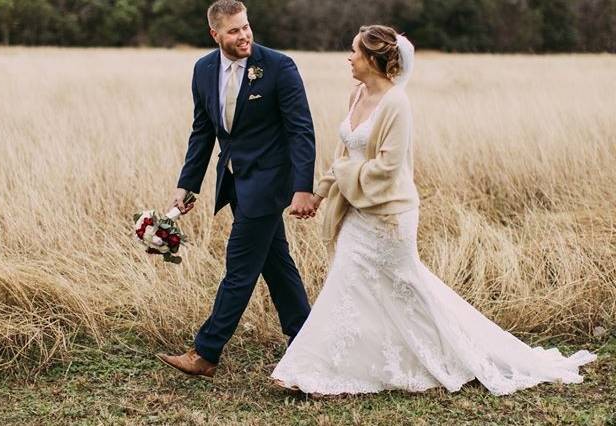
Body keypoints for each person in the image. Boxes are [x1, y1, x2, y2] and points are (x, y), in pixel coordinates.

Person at [270, 25, 597, 396]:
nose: (349, 57)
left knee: (406, 289)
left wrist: (342, 177)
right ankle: (320, 368)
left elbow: (387, 169)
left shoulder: (396, 104)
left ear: (375, 61)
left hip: (388, 217)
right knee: (351, 284)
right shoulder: (356, 94)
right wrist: (320, 193)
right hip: (355, 210)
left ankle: (327, 368)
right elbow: (345, 155)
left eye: (355, 52)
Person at [157, 0, 317, 378]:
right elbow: (203, 131)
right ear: (215, 34)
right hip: (235, 181)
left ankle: (206, 352)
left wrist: (302, 188)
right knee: (277, 265)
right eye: (233, 30)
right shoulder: (203, 69)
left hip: (270, 183)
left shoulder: (279, 66)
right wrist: (186, 185)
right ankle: (307, 340)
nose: (244, 35)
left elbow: (301, 130)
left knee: (240, 268)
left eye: (246, 27)